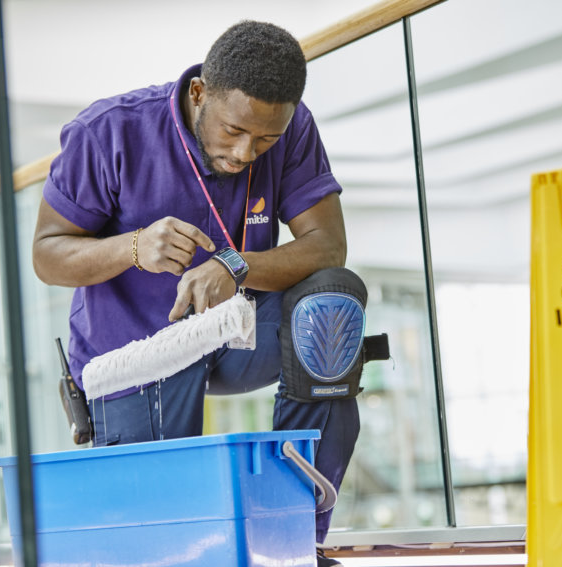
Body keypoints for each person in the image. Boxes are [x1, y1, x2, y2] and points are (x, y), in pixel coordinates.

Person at [32, 20, 374, 567]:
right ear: (199, 94)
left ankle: (291, 535)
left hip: (237, 332)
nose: (245, 153)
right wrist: (133, 247)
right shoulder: (108, 131)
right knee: (163, 544)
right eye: (234, 130)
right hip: (135, 351)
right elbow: (47, 254)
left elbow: (327, 246)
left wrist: (234, 265)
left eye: (266, 139)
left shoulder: (292, 129)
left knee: (333, 301)